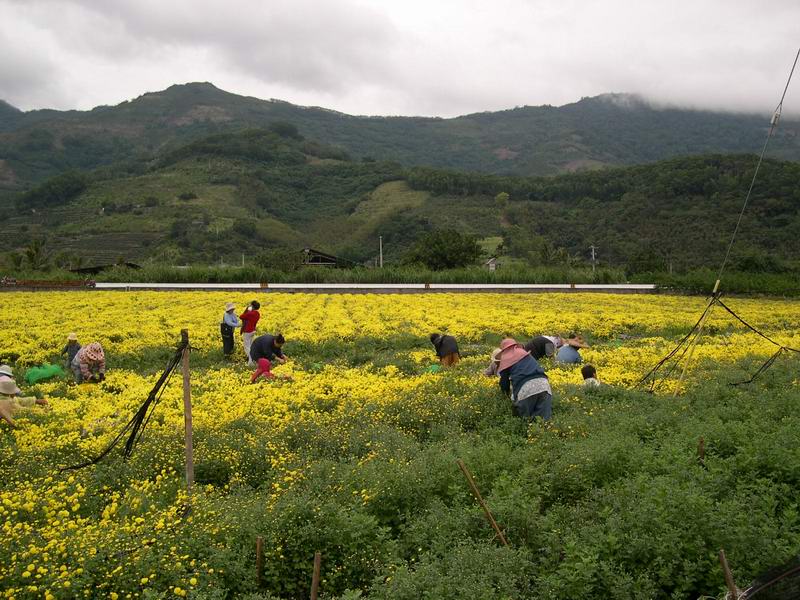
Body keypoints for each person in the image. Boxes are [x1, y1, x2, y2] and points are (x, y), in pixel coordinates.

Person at [497, 337, 552, 420]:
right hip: (544, 385)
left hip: (526, 388)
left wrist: (505, 396)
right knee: (543, 422)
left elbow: (504, 384)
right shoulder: (524, 353)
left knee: (523, 420)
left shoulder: (505, 359)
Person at [240, 301, 261, 365]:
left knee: (247, 347)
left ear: (252, 306)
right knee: (251, 346)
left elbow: (241, 316)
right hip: (253, 331)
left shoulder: (250, 313)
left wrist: (248, 310)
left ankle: (250, 362)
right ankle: (253, 360)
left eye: (250, 305)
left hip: (247, 331)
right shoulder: (257, 313)